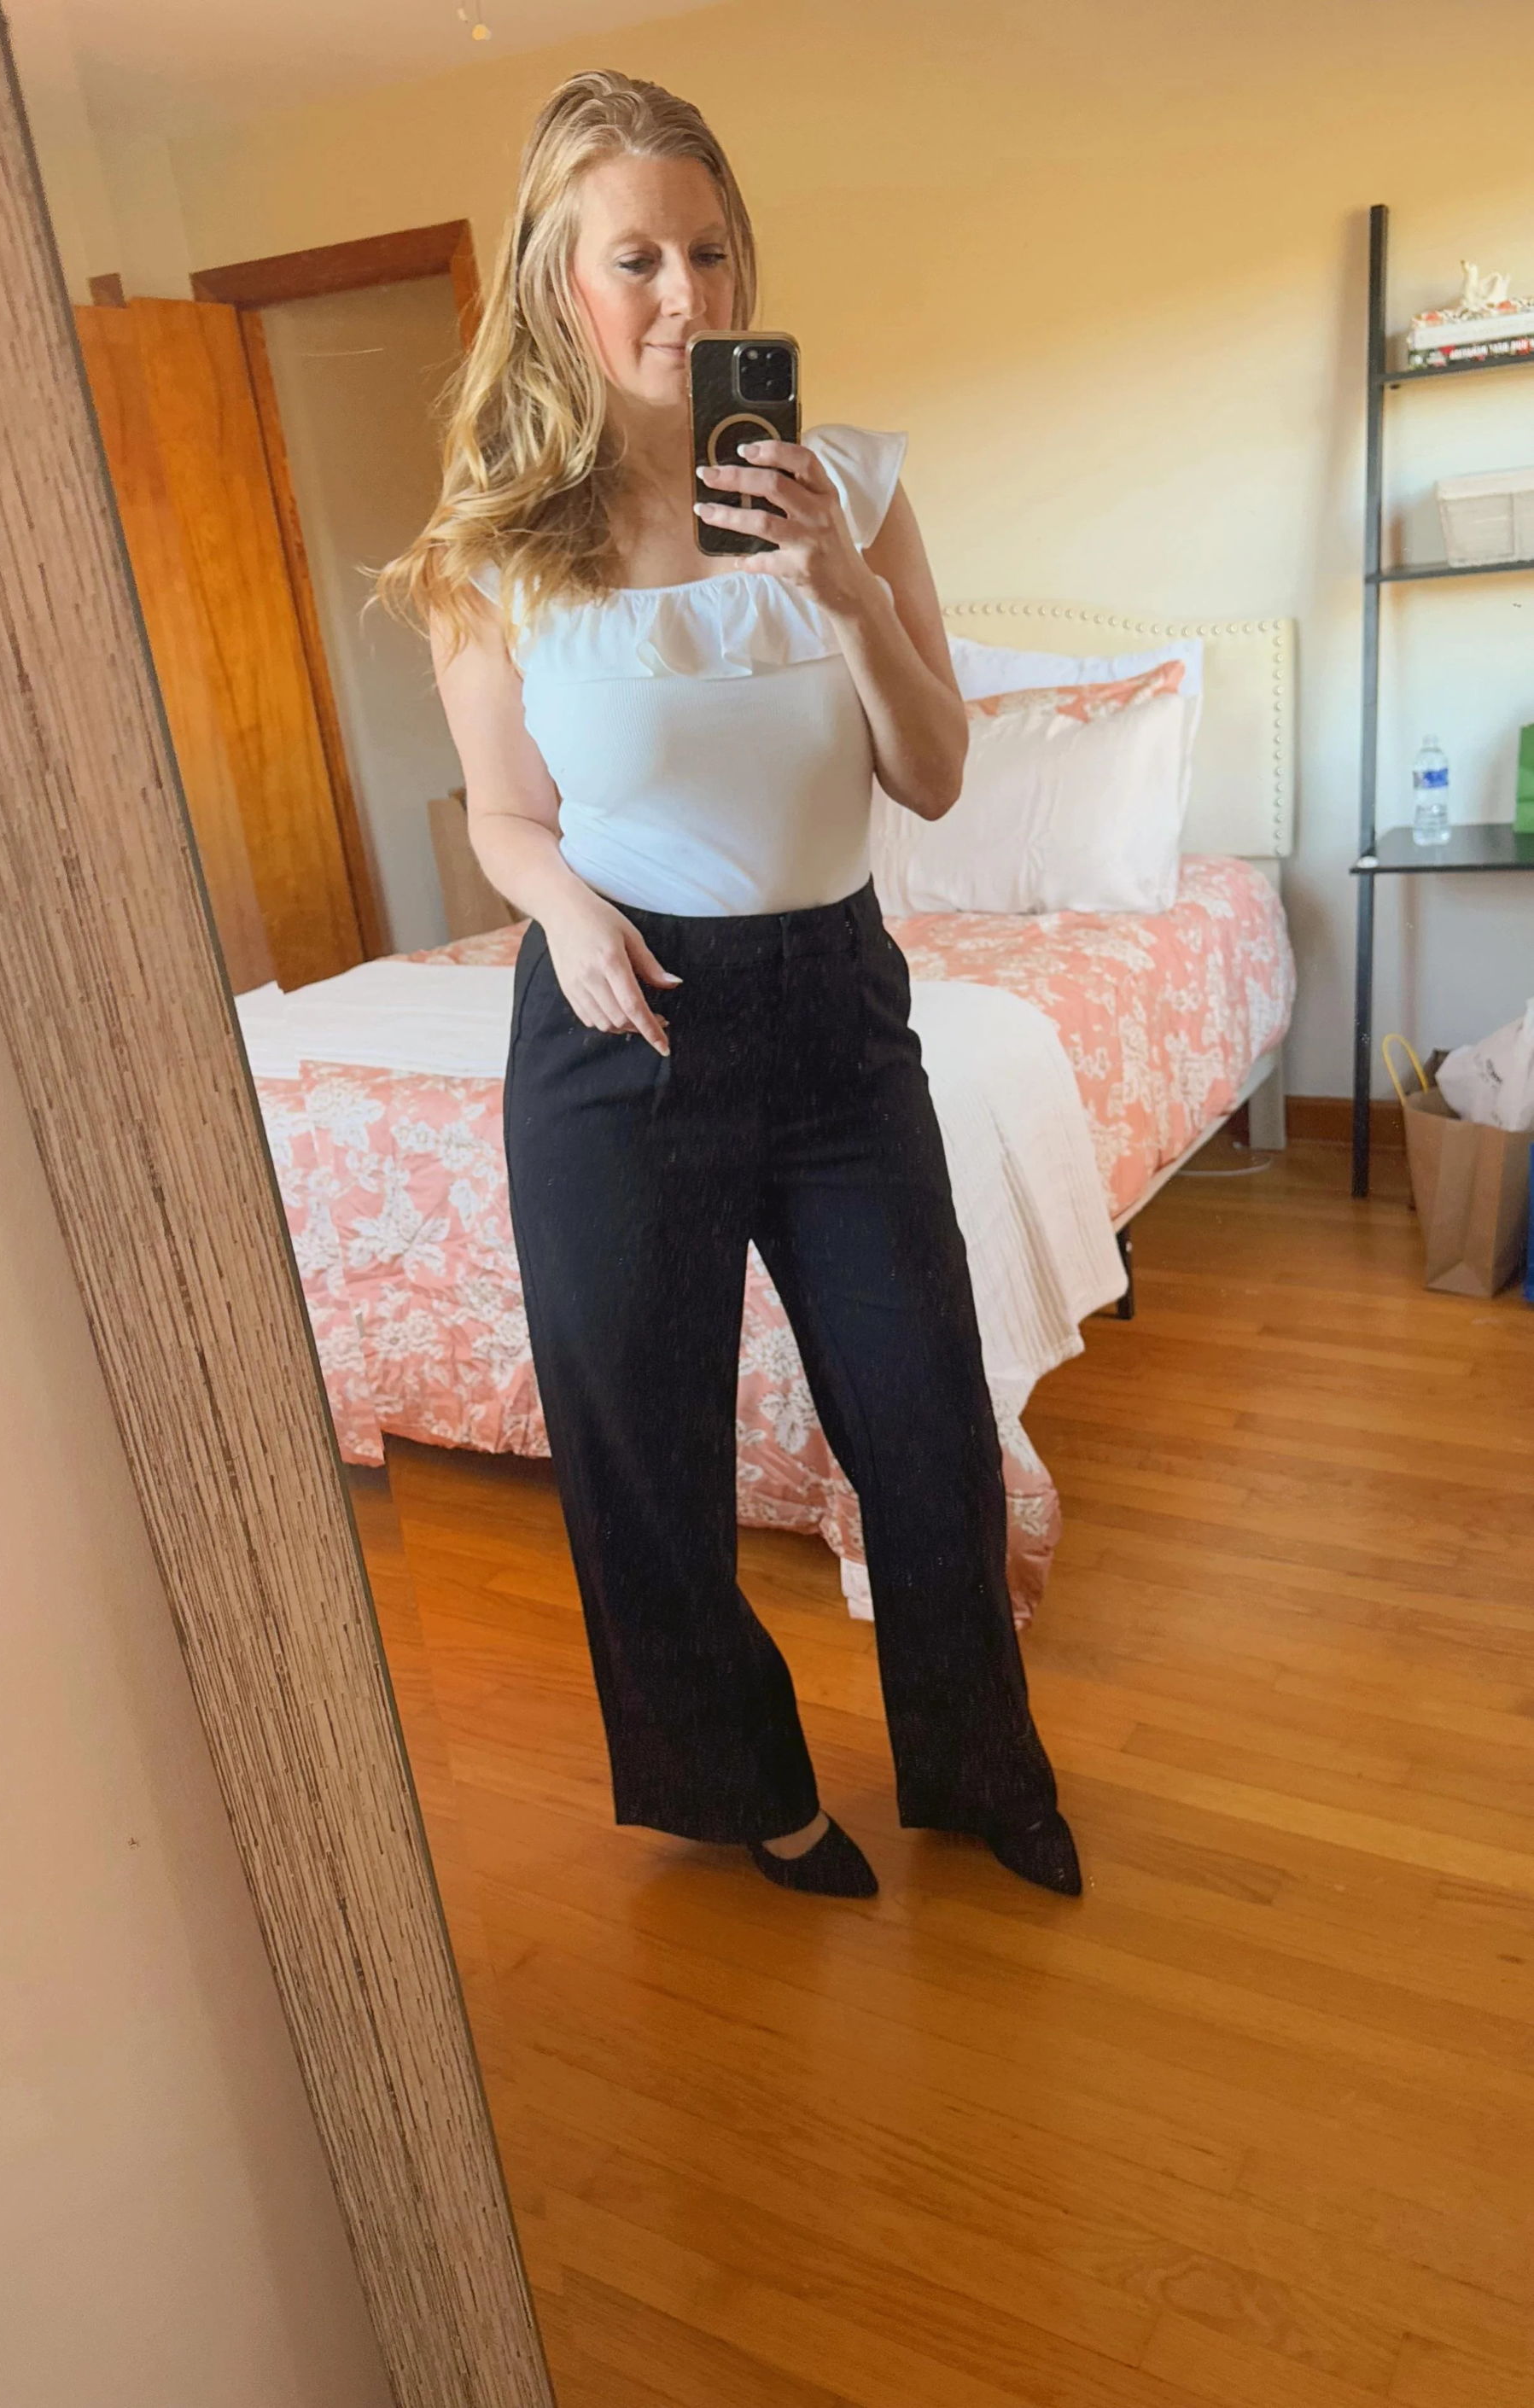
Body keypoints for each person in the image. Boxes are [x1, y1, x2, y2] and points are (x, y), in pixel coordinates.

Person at [381, 67, 1082, 1902]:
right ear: (558, 280)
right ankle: (745, 1790)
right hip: (619, 1021)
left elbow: (934, 774)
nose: (683, 296)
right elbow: (505, 814)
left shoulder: (855, 485)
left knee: (924, 1422)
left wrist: (841, 586)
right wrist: (561, 911)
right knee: (641, 1447)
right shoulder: (493, 545)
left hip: (836, 1013)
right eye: (636, 258)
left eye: (710, 251)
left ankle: (978, 1769)